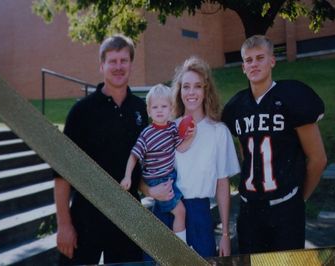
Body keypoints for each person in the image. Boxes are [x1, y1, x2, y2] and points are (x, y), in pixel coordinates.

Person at [221, 35, 327, 254]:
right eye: (248, 60)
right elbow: (246, 155)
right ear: (243, 67)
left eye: (260, 58)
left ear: (272, 61)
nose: (254, 64)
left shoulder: (293, 97)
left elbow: (318, 159)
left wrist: (299, 198)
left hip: (285, 210)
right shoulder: (236, 106)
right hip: (249, 211)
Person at [54, 34, 148, 265]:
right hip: (86, 215)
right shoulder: (81, 111)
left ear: (131, 64)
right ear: (101, 66)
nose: (118, 67)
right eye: (112, 61)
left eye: (123, 61)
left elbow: (147, 166)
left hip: (129, 217)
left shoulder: (141, 110)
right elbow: (61, 173)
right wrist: (64, 225)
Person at [141, 56, 240, 257]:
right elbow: (143, 178)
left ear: (206, 90)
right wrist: (152, 191)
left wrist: (226, 235)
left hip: (199, 215)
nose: (191, 92)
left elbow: (222, 184)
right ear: (179, 90)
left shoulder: (218, 132)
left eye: (197, 86)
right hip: (166, 210)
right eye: (186, 86)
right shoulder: (166, 128)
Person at [120, 84, 195, 243]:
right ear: (148, 111)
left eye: (164, 106)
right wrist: (127, 177)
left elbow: (180, 148)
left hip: (170, 176)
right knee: (180, 212)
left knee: (170, 214)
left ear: (171, 109)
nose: (159, 110)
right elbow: (134, 156)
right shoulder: (147, 134)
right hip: (157, 179)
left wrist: (190, 137)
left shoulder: (172, 129)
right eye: (155, 107)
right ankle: (180, 249)